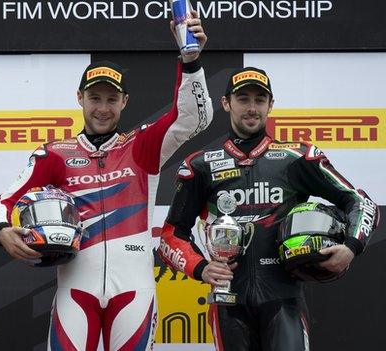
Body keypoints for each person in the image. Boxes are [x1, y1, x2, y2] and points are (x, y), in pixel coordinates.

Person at [0, 14, 213, 350]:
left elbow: (194, 117)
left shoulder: (141, 147)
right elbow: (4, 202)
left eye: (111, 99)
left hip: (134, 290)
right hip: (75, 290)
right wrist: (1, 231)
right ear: (80, 98)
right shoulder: (56, 154)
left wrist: (191, 61)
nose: (102, 108)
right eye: (95, 98)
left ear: (124, 101)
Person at [158, 66, 380, 350]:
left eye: (259, 100)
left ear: (270, 105)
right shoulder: (200, 165)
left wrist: (351, 246)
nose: (252, 108)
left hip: (284, 298)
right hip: (229, 303)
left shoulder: (296, 158)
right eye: (243, 99)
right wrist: (200, 268)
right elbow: (171, 235)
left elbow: (359, 201)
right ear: (226, 103)